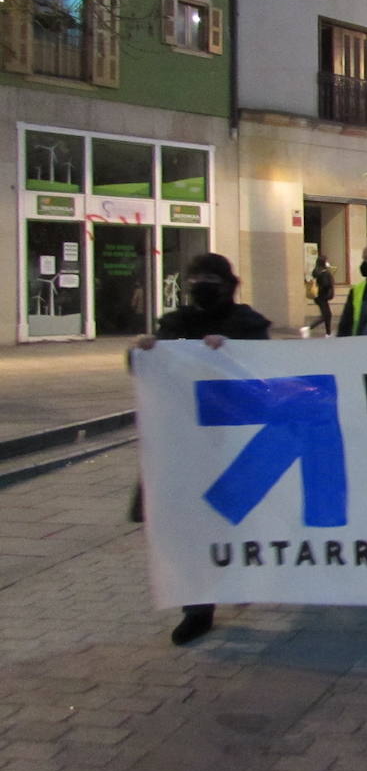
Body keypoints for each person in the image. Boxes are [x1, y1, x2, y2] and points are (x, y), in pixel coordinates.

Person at [132, 253, 271, 646]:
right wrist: (143, 352)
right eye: (196, 278)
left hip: (231, 443)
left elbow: (265, 372)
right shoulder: (176, 324)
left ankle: (239, 577)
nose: (202, 286)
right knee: (190, 526)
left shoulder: (248, 324)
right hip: (185, 445)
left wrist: (232, 352)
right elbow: (144, 366)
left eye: (210, 278)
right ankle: (197, 607)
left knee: (234, 521)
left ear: (229, 283)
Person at [308, 255, 334, 335]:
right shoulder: (324, 272)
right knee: (326, 315)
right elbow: (326, 284)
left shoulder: (316, 271)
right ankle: (308, 328)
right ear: (323, 262)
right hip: (322, 296)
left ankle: (328, 333)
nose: (328, 263)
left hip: (317, 296)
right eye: (326, 261)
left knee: (327, 315)